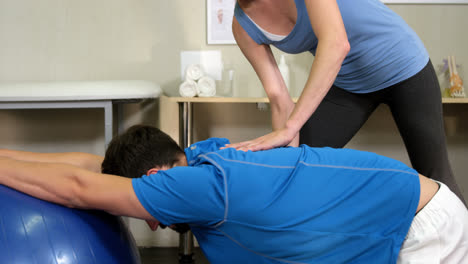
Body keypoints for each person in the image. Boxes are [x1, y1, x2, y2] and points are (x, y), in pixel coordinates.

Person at [0, 125, 467, 263]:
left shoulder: (196, 187)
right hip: (412, 215)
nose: (150, 223)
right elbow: (89, 167)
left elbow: (82, 188)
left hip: (422, 234)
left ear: (160, 175)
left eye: (146, 208)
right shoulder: (202, 156)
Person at [226, 0, 466, 204]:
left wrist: (290, 128)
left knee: (437, 179)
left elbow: (336, 44)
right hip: (349, 84)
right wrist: (284, 164)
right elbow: (279, 98)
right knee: (299, 165)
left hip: (403, 66)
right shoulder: (243, 25)